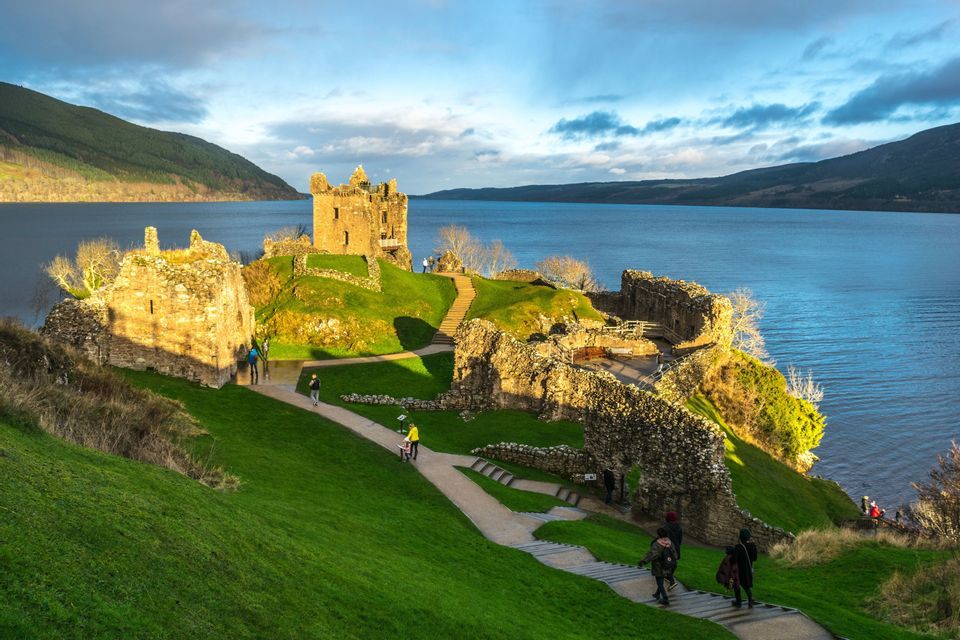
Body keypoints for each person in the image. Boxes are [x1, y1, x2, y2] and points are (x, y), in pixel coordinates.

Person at [638, 527, 678, 606]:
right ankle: (657, 594)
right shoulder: (670, 542)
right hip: (667, 565)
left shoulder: (657, 544)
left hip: (658, 566)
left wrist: (643, 561)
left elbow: (652, 555)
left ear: (659, 535)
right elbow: (675, 555)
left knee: (660, 583)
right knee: (661, 580)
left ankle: (665, 599)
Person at [731, 528, 758, 608]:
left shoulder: (738, 547)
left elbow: (734, 560)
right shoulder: (753, 546)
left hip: (739, 570)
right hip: (748, 570)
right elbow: (755, 558)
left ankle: (738, 602)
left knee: (736, 585)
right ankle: (750, 601)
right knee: (746, 586)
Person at [664, 512, 683, 591]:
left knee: (667, 563)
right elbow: (680, 539)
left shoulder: (665, 527)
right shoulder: (679, 527)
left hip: (668, 547)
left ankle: (671, 580)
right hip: (676, 547)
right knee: (673, 563)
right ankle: (669, 576)